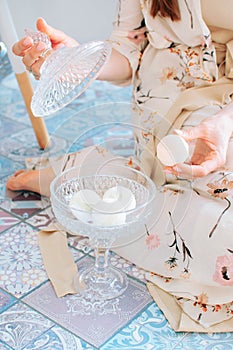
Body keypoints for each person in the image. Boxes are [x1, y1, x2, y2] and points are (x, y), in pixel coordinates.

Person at [6, 0, 233, 331]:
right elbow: (128, 46)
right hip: (177, 111)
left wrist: (226, 123)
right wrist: (77, 64)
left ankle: (100, 177)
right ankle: (93, 181)